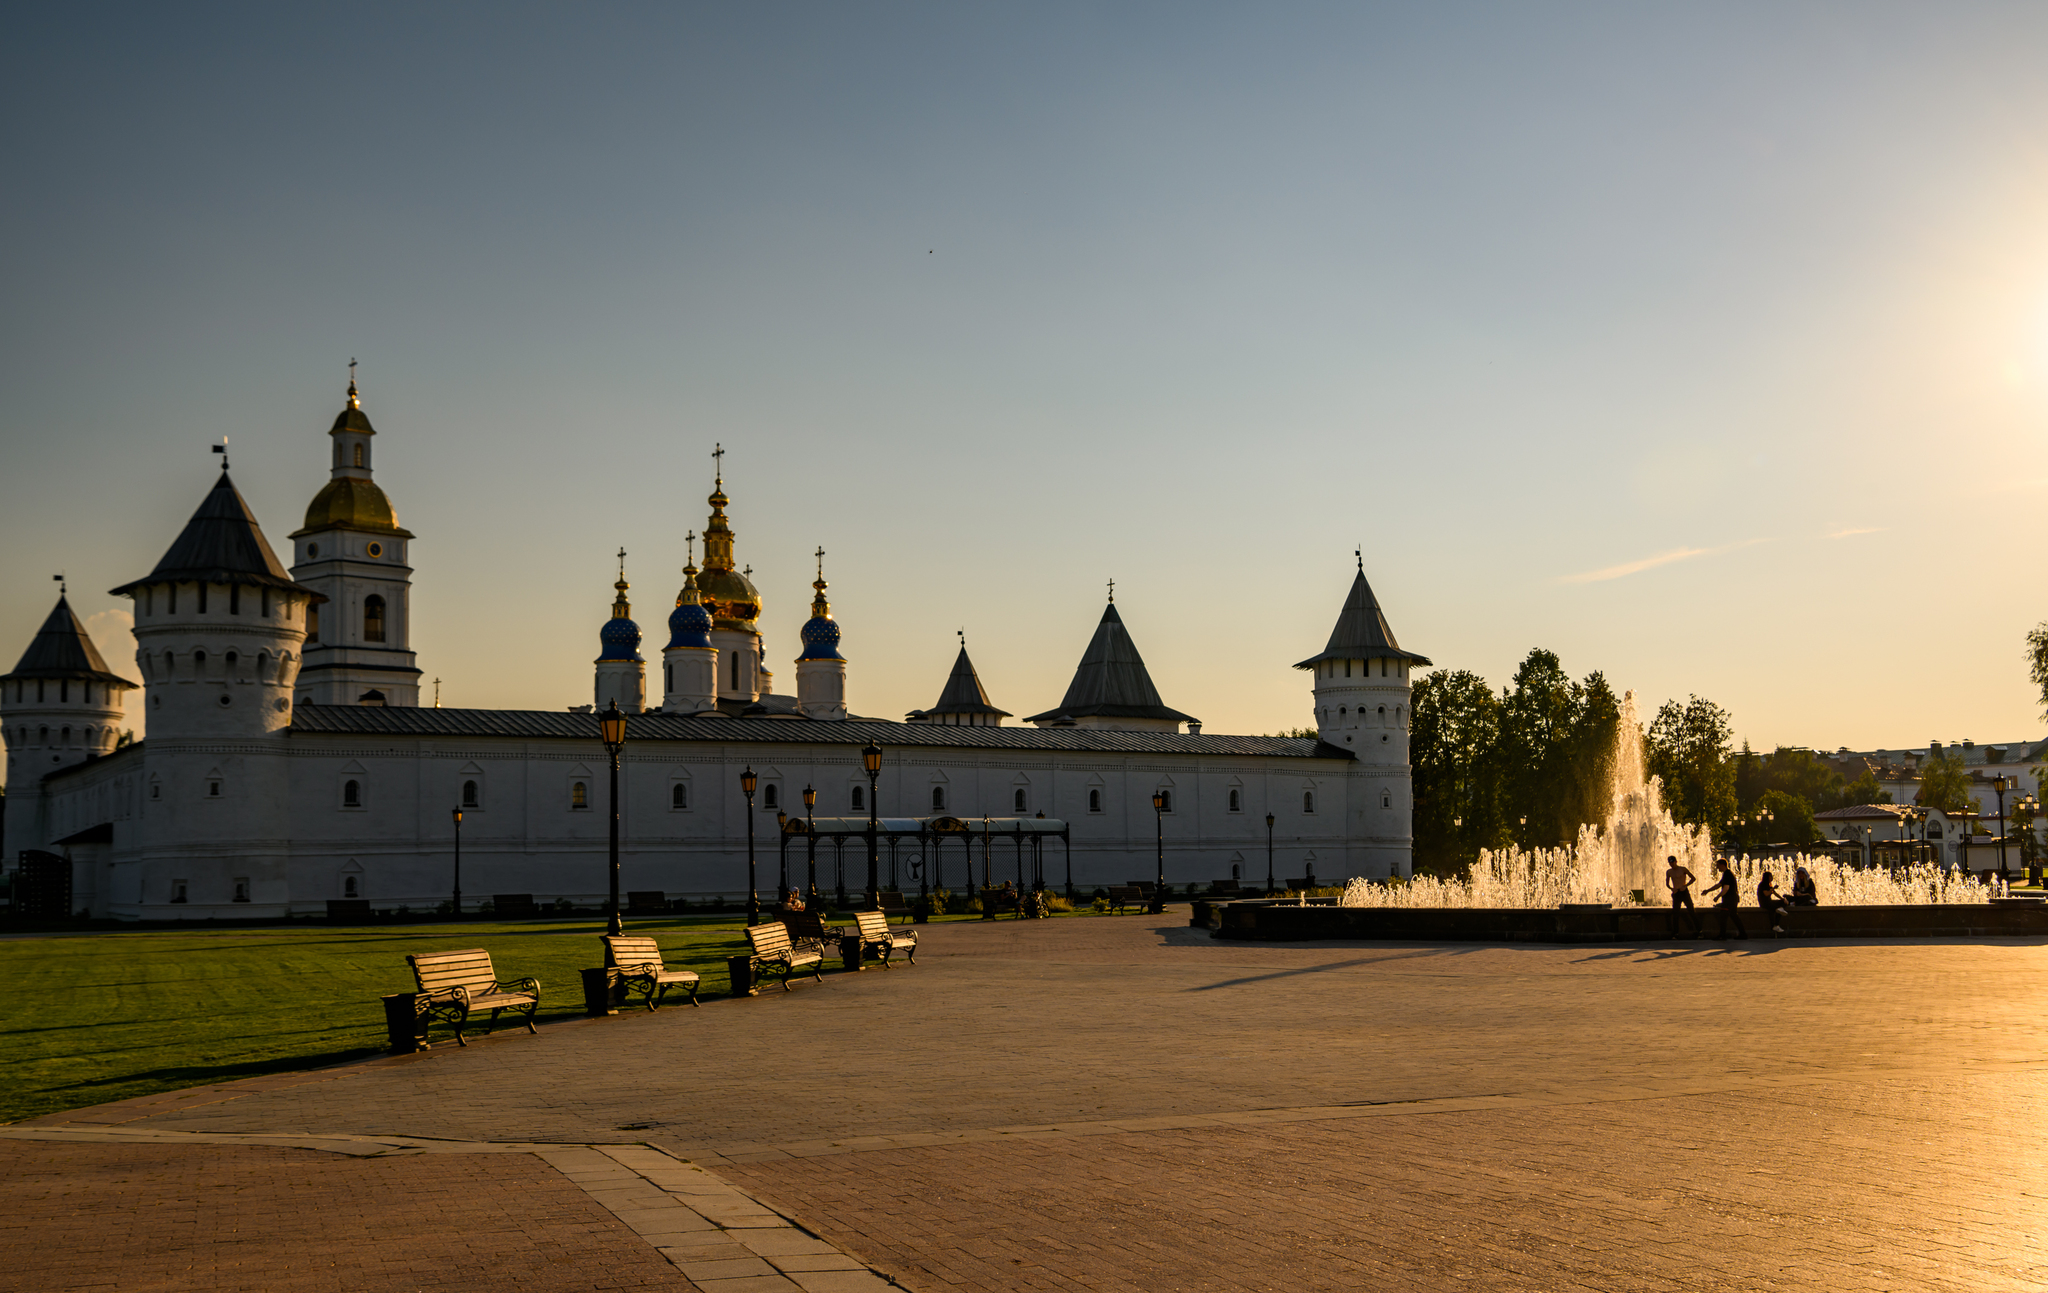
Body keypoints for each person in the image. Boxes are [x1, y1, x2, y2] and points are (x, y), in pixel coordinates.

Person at [1703, 859, 1747, 940]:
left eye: (1718, 865)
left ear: (1722, 865)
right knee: (1733, 916)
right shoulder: (1727, 873)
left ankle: (1723, 935)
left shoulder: (1727, 874)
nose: (1717, 867)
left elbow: (1726, 888)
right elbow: (1719, 885)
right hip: (1732, 899)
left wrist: (1718, 897)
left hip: (1729, 900)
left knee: (1724, 917)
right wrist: (1708, 890)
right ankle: (1742, 934)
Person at [1664, 854, 1701, 938]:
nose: (1671, 864)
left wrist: (1685, 885)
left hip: (1684, 892)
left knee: (1691, 910)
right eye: (1670, 863)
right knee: (1675, 913)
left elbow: (1693, 878)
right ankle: (1675, 933)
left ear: (1676, 862)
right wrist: (1671, 888)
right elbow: (1667, 883)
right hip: (1676, 892)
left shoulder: (1683, 869)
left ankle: (1699, 931)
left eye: (1673, 862)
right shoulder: (1669, 872)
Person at [1756, 870, 1789, 935]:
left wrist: (1783, 899)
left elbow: (1774, 893)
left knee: (1781, 904)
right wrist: (1772, 889)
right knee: (1778, 909)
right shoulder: (1762, 884)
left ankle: (1776, 925)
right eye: (1770, 876)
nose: (1771, 878)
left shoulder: (1769, 885)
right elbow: (1766, 894)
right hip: (1764, 903)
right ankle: (1776, 923)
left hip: (1769, 902)